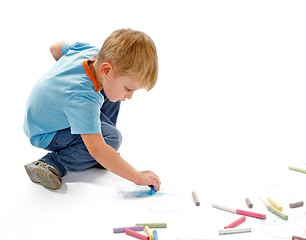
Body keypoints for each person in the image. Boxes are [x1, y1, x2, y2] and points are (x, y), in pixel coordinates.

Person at [23, 28, 160, 191]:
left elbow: (55, 48)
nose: (130, 96)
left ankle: (101, 151)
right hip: (47, 132)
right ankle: (51, 163)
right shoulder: (83, 98)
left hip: (43, 115)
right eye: (129, 88)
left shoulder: (88, 51)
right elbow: (96, 149)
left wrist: (62, 81)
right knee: (111, 139)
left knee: (114, 95)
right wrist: (136, 176)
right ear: (106, 70)